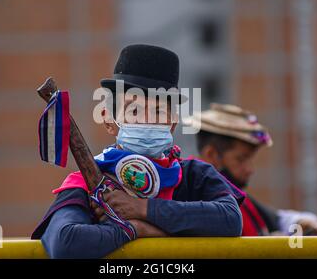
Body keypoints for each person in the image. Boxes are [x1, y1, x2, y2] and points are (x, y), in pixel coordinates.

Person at [32, 45, 244, 258]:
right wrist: (136, 230)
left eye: (159, 111)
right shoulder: (85, 183)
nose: (147, 120)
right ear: (108, 120)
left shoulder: (193, 175)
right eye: (134, 110)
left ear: (172, 123)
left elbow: (230, 219)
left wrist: (143, 209)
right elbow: (64, 243)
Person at [184, 103, 317, 236]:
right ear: (211, 154)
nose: (250, 169)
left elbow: (276, 219)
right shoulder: (190, 193)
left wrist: (301, 221)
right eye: (241, 159)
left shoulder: (229, 193)